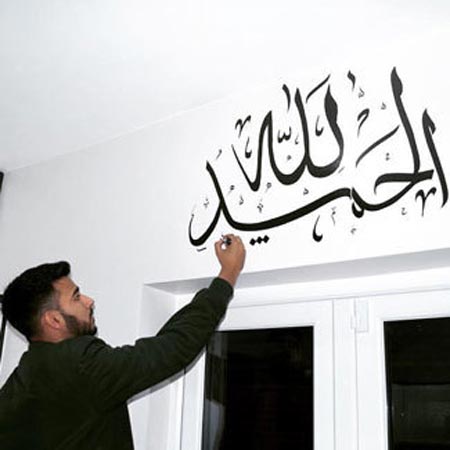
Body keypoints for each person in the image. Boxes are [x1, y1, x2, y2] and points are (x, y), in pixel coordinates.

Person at [0, 235, 246, 450]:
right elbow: (173, 348)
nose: (89, 301)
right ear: (54, 320)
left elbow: (157, 350)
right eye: (76, 297)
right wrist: (227, 276)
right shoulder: (79, 365)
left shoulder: (18, 385)